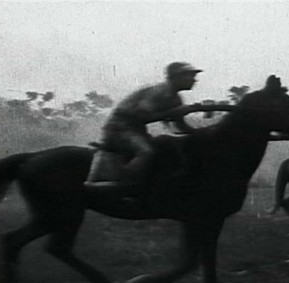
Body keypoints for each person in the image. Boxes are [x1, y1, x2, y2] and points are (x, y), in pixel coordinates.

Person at [85, 61, 205, 192]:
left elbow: (180, 126)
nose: (194, 80)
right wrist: (174, 112)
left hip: (136, 130)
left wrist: (202, 133)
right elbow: (140, 116)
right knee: (145, 151)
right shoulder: (157, 92)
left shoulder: (175, 99)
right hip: (119, 128)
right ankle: (123, 182)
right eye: (190, 76)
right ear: (175, 77)